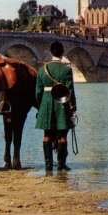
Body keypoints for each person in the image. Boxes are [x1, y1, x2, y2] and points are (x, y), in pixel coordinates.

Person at [35, 41, 76, 171]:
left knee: (47, 134)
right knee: (62, 135)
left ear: (51, 53)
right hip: (62, 103)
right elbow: (70, 90)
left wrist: (39, 107)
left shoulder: (42, 70)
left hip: (46, 104)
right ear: (62, 54)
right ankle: (61, 165)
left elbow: (38, 92)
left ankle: (48, 166)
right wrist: (73, 106)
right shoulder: (67, 70)